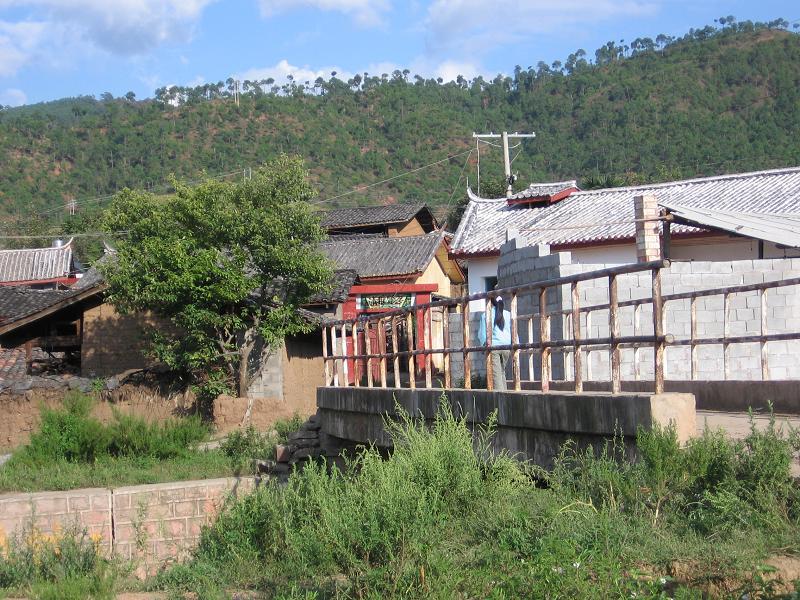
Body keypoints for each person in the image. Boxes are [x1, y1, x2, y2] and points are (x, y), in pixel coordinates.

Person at [477, 295, 512, 391]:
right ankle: (506, 394)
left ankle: (500, 398)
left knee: (496, 374)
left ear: (490, 302)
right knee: (502, 372)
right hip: (507, 347)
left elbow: (483, 334)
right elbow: (513, 330)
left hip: (494, 347)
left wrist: (484, 345)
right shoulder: (508, 314)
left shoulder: (486, 315)